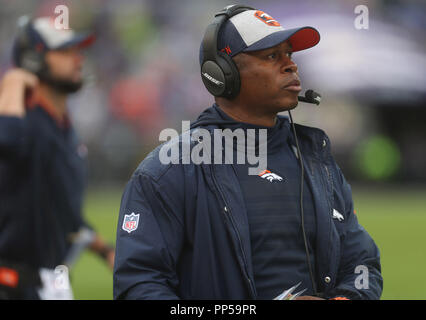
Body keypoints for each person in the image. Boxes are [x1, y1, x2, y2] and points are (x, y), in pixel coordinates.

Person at [113, 5, 382, 300]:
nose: (291, 65)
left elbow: (361, 265)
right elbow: (139, 286)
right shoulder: (169, 171)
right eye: (271, 56)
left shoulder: (318, 161)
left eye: (289, 54)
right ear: (223, 73)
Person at [0, 16, 114, 299]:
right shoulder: (23, 123)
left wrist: (106, 251)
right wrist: (13, 82)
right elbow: (7, 141)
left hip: (50, 283)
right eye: (65, 52)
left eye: (77, 51)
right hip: (12, 284)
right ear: (33, 61)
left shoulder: (62, 127)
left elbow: (66, 214)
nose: (78, 59)